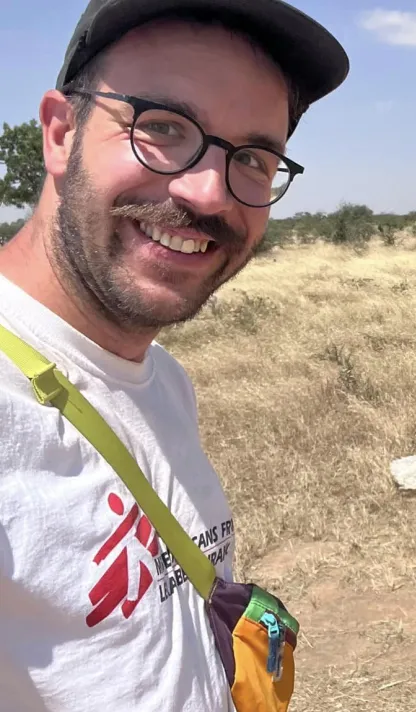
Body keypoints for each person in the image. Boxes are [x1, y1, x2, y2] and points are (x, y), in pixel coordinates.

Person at [0, 1, 348, 709]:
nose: (209, 192)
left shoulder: (162, 381)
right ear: (61, 133)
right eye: (162, 128)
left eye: (253, 157)